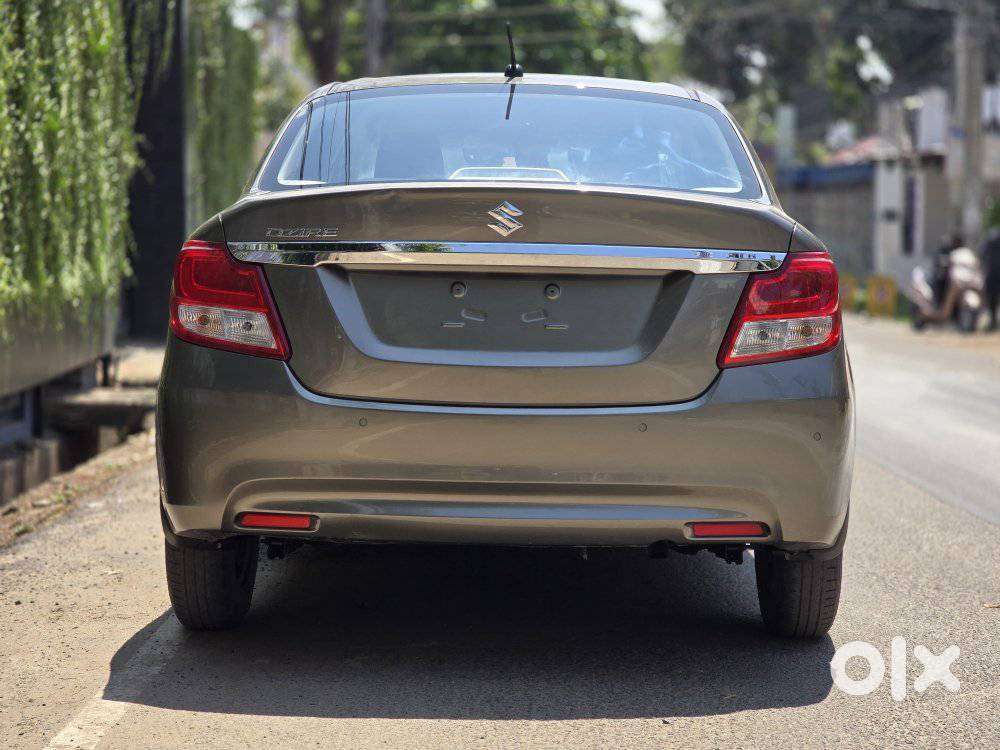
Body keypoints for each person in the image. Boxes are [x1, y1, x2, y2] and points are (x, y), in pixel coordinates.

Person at [931, 233, 962, 311]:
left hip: (959, 277)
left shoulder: (962, 252)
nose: (957, 243)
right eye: (956, 241)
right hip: (945, 276)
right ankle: (938, 305)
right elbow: (941, 262)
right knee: (941, 281)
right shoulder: (945, 250)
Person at [982, 227, 1000, 331]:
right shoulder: (992, 236)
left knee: (992, 300)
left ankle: (993, 322)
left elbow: (983, 254)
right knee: (992, 300)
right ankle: (993, 322)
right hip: (993, 274)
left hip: (992, 273)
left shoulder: (991, 236)